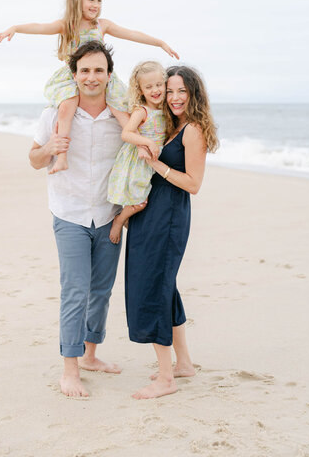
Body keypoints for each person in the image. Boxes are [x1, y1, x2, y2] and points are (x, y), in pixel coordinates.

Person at [0, 0, 179, 173]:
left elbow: (131, 33)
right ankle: (62, 157)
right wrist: (15, 28)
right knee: (67, 106)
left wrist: (159, 42)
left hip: (101, 76)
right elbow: (40, 27)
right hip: (74, 77)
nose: (96, 5)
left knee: (121, 110)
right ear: (77, 0)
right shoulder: (67, 25)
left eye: (99, 1)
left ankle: (142, 147)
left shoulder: (102, 25)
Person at [29, 40, 124, 399]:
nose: (91, 77)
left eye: (99, 70)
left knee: (100, 291)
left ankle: (90, 355)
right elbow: (34, 159)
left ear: (109, 76)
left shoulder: (121, 117)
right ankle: (70, 369)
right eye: (85, 70)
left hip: (108, 216)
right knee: (75, 291)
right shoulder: (54, 114)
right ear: (74, 75)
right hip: (68, 213)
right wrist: (49, 150)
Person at [125, 65, 219, 399]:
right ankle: (184, 364)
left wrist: (156, 165)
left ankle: (166, 379)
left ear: (194, 93)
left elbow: (193, 184)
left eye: (182, 91)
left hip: (168, 216)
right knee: (165, 286)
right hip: (151, 211)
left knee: (152, 287)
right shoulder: (167, 123)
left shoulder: (193, 130)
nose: (175, 97)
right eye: (170, 90)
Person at [107, 61, 167, 244]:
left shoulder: (166, 109)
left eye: (159, 85)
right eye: (148, 87)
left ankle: (128, 221)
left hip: (153, 161)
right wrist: (146, 142)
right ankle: (119, 220)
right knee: (140, 202)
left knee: (144, 198)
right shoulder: (142, 111)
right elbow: (126, 133)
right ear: (140, 90)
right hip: (138, 160)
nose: (155, 90)